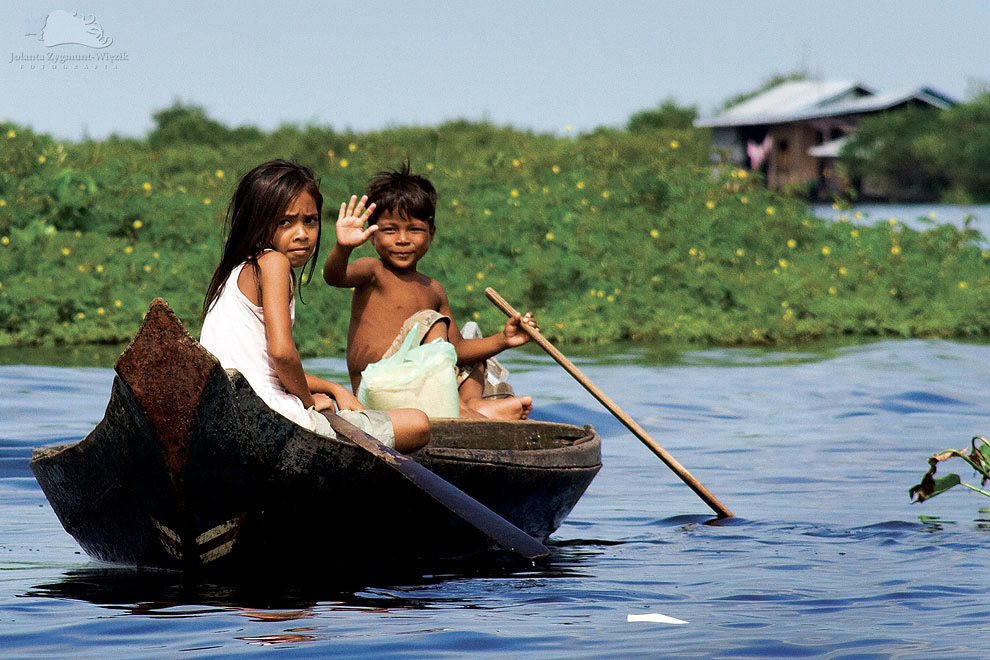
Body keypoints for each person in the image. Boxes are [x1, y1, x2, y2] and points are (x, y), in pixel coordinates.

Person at [200, 159, 430, 453]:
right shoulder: (274, 263)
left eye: (310, 220)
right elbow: (282, 354)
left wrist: (331, 388)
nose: (302, 233)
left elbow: (260, 367)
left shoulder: (234, 272)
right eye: (285, 222)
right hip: (275, 421)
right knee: (418, 423)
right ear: (257, 222)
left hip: (233, 415)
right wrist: (309, 403)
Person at [322, 163, 537, 420]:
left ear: (431, 234)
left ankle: (472, 407)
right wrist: (343, 247)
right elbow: (334, 276)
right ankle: (469, 415)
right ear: (372, 236)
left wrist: (504, 339)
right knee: (431, 322)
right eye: (390, 230)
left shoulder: (433, 288)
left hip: (423, 392)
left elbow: (455, 348)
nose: (403, 239)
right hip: (380, 390)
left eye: (414, 230)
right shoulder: (372, 271)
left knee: (473, 356)